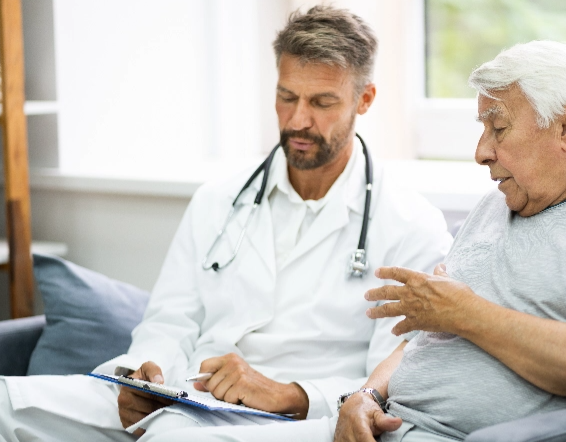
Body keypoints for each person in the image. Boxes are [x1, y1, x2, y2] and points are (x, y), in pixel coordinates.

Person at [0, 6, 452, 442]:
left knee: (171, 439)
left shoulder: (411, 227)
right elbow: (170, 320)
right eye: (286, 96)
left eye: (322, 102)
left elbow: (392, 381)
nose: (297, 120)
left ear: (365, 99)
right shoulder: (218, 200)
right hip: (183, 393)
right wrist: (144, 373)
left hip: (290, 420)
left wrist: (289, 395)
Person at [331, 41, 566, 442]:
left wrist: (466, 313)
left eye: (499, 127)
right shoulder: (494, 206)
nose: (480, 152)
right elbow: (427, 337)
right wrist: (366, 396)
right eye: (482, 129)